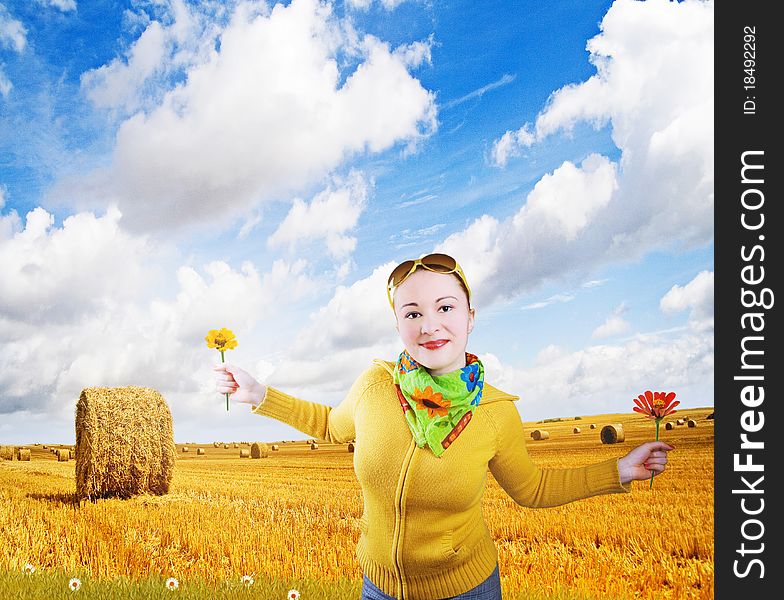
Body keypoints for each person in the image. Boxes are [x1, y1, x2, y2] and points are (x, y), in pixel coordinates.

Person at [214, 253, 673, 600]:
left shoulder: (494, 411)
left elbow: (533, 489)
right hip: (377, 587)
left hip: (464, 589)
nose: (429, 325)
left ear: (470, 317)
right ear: (398, 324)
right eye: (412, 312)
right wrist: (260, 396)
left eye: (445, 308)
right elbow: (331, 425)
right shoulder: (376, 385)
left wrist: (620, 471)